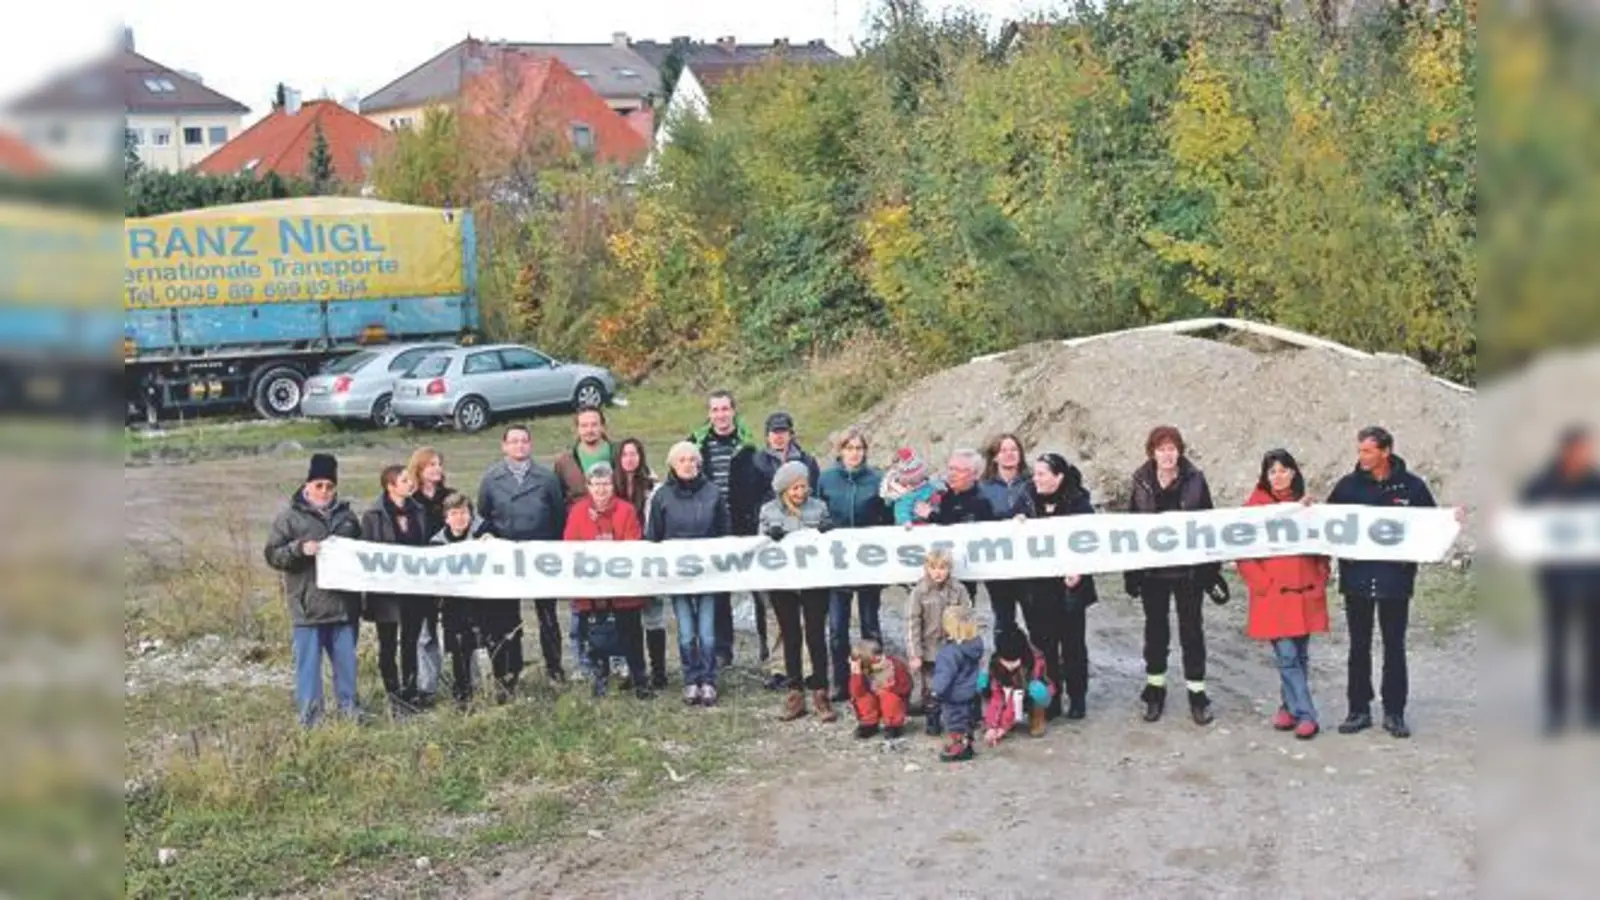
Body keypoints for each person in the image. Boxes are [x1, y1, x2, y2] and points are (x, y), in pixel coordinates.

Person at [1327, 425, 1459, 739]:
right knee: (1358, 647)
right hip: (1357, 579)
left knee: (1394, 647)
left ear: (1386, 451)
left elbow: (1430, 523)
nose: (1362, 456)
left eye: (1368, 451)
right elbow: (1327, 521)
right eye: (1359, 450)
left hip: (1394, 580)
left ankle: (1394, 712)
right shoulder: (1347, 486)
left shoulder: (1411, 488)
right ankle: (1358, 709)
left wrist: (1451, 520)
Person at [1125, 425, 1226, 726]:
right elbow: (1130, 528)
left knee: (1192, 631)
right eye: (1161, 449)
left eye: (1172, 448)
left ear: (1179, 451)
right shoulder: (1141, 481)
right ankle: (1155, 689)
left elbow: (1208, 522)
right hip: (1154, 573)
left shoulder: (1196, 480)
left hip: (1188, 572)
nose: (1167, 454)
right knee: (1155, 632)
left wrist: (1211, 570)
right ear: (1152, 452)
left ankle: (1198, 693)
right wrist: (1132, 572)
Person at [264, 453, 362, 727]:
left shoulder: (348, 518)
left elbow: (363, 554)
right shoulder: (289, 518)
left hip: (343, 607)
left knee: (347, 666)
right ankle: (311, 719)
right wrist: (298, 549)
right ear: (307, 486)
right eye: (318, 485)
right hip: (308, 608)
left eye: (329, 486)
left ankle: (350, 711)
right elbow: (273, 555)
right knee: (308, 668)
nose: (324, 491)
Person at [1237, 449, 1329, 740]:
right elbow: (1243, 552)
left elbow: (1323, 544)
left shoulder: (1307, 507)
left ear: (1293, 472)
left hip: (1304, 593)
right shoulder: (1254, 508)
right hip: (1275, 595)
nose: (1278, 476)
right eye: (1272, 471)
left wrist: (1321, 573)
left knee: (1300, 656)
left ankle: (1288, 707)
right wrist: (1263, 584)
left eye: (1283, 470)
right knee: (1288, 656)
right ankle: (1306, 714)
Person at [1521, 425, 1600, 735]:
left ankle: (1593, 708)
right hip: (1555, 580)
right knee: (1557, 647)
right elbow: (1524, 524)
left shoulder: (1595, 482)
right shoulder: (1542, 485)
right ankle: (1556, 712)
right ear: (1566, 450)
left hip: (1593, 580)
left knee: (1594, 647)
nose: (1585, 455)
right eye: (1580, 450)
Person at [478, 424, 568, 687]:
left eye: (524, 441)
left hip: (541, 556)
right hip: (507, 558)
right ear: (504, 446)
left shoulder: (547, 478)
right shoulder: (491, 479)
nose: (519, 446)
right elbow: (485, 517)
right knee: (508, 617)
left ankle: (554, 668)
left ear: (530, 445)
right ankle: (510, 671)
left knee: (548, 616)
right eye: (514, 441)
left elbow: (558, 516)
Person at [647, 441, 731, 706]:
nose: (687, 464)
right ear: (672, 465)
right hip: (678, 575)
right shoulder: (662, 496)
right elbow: (654, 536)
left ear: (699, 463)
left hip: (707, 574)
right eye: (681, 460)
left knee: (706, 631)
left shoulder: (713, 493)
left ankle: (708, 680)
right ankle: (690, 680)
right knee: (686, 631)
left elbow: (724, 532)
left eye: (692, 460)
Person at [1016, 452, 1099, 721]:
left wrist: (1080, 572)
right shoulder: (1025, 497)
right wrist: (1014, 522)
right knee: (1045, 646)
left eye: (1042, 474)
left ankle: (1077, 698)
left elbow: (1091, 542)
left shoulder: (1078, 502)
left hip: (1069, 588)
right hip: (1037, 587)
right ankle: (1050, 698)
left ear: (1058, 477)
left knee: (1073, 646)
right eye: (1035, 473)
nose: (1035, 479)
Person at [563, 462, 652, 700]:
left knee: (631, 635)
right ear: (588, 487)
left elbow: (632, 543)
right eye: (596, 484)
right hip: (591, 590)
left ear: (613, 486)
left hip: (622, 588)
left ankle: (639, 680)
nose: (601, 489)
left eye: (606, 484)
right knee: (594, 638)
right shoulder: (578, 511)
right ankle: (599, 681)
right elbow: (571, 545)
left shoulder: (626, 510)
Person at [688, 391, 763, 668]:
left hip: (745, 527)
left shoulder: (749, 446)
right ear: (709, 414)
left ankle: (767, 650)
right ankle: (722, 649)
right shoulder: (696, 445)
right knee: (718, 591)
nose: (720, 415)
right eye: (715, 410)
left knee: (759, 590)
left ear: (734, 411)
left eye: (725, 409)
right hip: (710, 527)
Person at [761, 460, 838, 723]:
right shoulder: (768, 511)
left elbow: (831, 540)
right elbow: (757, 545)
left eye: (804, 487)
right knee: (791, 634)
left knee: (815, 633)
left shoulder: (819, 507)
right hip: (782, 582)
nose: (800, 493)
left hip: (814, 580)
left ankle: (820, 690)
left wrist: (827, 531)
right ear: (784, 489)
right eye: (794, 488)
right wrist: (769, 536)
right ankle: (795, 693)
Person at [816, 426, 888, 702]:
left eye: (859, 448)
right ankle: (842, 682)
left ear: (865, 451)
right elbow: (817, 514)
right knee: (837, 628)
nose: (854, 453)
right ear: (841, 451)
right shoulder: (826, 479)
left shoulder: (877, 480)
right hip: (838, 565)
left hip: (869, 563)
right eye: (849, 448)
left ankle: (877, 678)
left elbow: (888, 515)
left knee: (870, 624)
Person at [361, 464, 433, 715]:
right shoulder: (374, 515)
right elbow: (366, 551)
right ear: (390, 486)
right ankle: (393, 692)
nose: (409, 484)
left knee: (411, 642)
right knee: (388, 643)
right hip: (386, 593)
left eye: (409, 479)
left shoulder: (419, 511)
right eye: (403, 480)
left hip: (414, 589)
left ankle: (411, 690)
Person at [552, 406, 620, 678]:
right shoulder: (565, 461)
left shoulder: (617, 453)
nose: (589, 429)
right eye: (584, 425)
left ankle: (617, 659)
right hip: (579, 538)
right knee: (580, 606)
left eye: (594, 424)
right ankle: (583, 662)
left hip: (613, 537)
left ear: (602, 426)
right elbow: (557, 501)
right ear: (577, 429)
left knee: (615, 605)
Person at [432, 492, 494, 710]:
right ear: (446, 518)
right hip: (453, 606)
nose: (460, 518)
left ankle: (488, 692)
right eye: (454, 513)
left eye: (464, 513)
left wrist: (491, 544)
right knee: (459, 652)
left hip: (480, 604)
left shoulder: (483, 536)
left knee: (484, 647)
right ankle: (463, 696)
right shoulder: (436, 544)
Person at [616, 437, 669, 690]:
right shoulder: (612, 486)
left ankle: (659, 670)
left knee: (653, 615)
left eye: (634, 454)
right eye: (625, 454)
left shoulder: (654, 487)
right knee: (627, 617)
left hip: (647, 556)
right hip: (621, 560)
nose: (629, 459)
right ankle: (633, 669)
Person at [905, 548, 973, 736]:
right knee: (931, 687)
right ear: (927, 568)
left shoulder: (958, 590)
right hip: (929, 649)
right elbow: (913, 623)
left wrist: (964, 646)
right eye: (933, 567)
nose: (938, 572)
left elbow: (968, 616)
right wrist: (915, 654)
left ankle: (958, 719)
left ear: (949, 569)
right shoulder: (919, 592)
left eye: (942, 568)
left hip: (952, 647)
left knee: (955, 684)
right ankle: (932, 718)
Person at [405, 447, 452, 702]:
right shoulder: (410, 501)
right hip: (421, 575)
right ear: (419, 470)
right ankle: (427, 687)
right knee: (425, 634)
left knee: (456, 631)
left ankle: (465, 684)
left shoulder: (451, 497)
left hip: (450, 574)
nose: (436, 469)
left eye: (438, 463)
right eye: (430, 465)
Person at [982, 433, 1032, 640]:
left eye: (1014, 449)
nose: (1010, 454)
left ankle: (1041, 667)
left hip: (1029, 563)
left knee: (1035, 618)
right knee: (1003, 619)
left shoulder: (1033, 482)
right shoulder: (983, 487)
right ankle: (1005, 665)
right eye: (1004, 450)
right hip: (998, 566)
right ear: (995, 457)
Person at [979, 629, 1054, 745]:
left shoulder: (1034, 664)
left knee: (1038, 690)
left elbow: (1014, 700)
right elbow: (997, 697)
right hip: (1011, 694)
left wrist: (1003, 728)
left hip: (1030, 693)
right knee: (982, 681)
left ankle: (1037, 717)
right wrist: (992, 726)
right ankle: (988, 718)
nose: (1009, 666)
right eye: (1006, 661)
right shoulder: (995, 665)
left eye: (1014, 662)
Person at [932, 604, 985, 763]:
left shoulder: (950, 652)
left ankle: (959, 747)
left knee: (954, 722)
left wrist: (936, 691)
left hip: (954, 695)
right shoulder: (975, 646)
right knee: (967, 719)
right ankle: (968, 742)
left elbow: (944, 675)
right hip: (970, 690)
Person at [848, 639, 914, 740]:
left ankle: (893, 725)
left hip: (892, 697)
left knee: (889, 696)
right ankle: (869, 724)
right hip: (872, 698)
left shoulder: (894, 665)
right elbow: (856, 692)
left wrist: (889, 687)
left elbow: (906, 687)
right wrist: (856, 674)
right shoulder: (862, 670)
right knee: (863, 698)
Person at [881, 446, 941, 525]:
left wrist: (937, 496)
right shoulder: (902, 495)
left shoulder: (927, 484)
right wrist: (906, 522)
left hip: (932, 521)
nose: (921, 477)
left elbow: (934, 490)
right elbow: (901, 511)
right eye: (916, 477)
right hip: (914, 526)